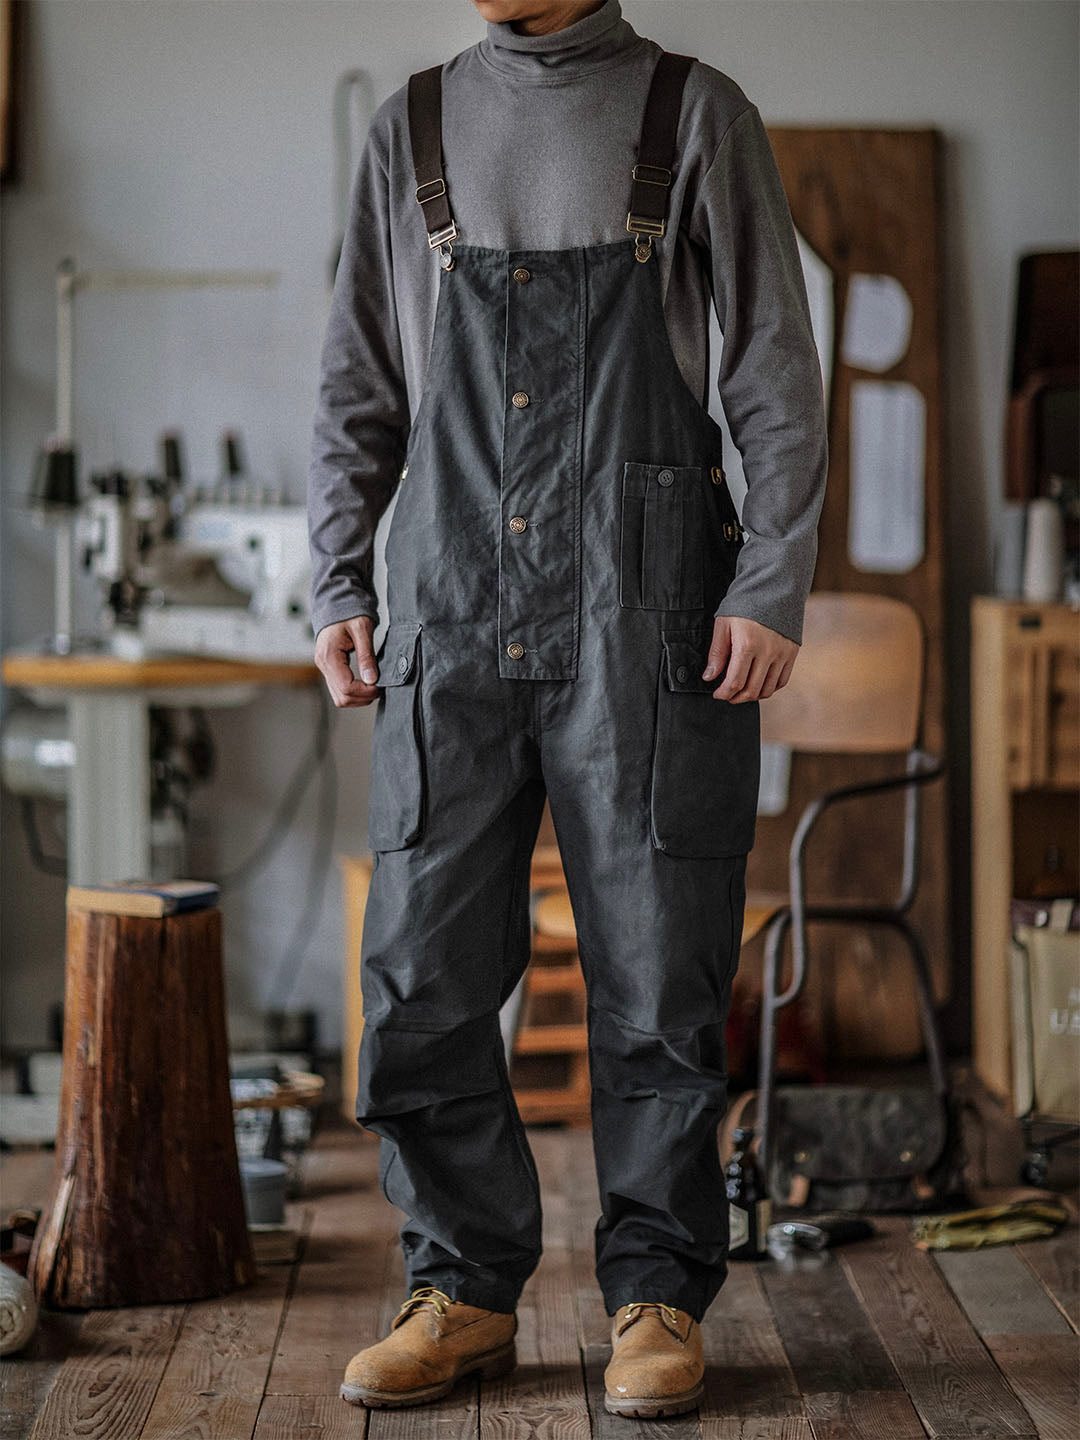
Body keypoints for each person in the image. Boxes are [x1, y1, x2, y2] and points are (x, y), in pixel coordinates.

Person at [307, 0, 827, 1419]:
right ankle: (462, 1291)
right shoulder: (407, 123)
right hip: (448, 609)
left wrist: (773, 581)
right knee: (420, 972)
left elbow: (773, 365)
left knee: (658, 975)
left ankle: (656, 1293)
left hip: (648, 610)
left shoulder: (694, 112)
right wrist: (334, 572)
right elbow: (359, 373)